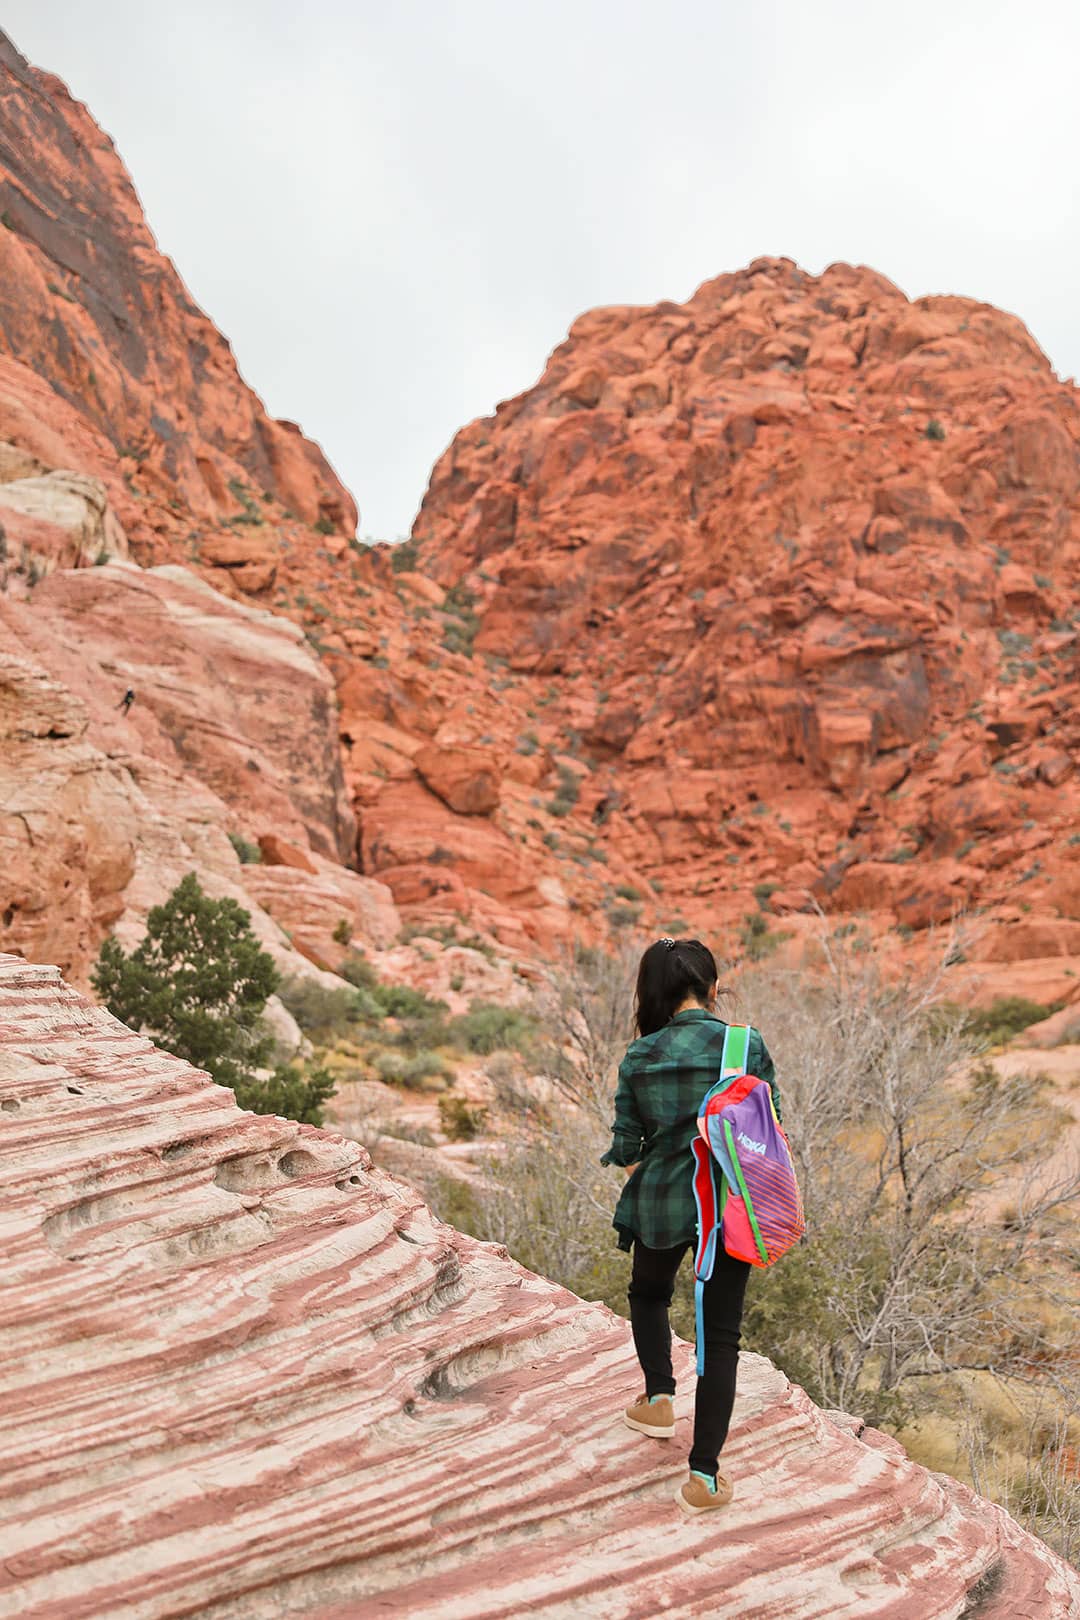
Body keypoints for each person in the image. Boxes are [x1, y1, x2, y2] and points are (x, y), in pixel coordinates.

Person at [600, 936, 780, 1516]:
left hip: (659, 1201)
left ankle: (657, 1400)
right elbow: (770, 1125)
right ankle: (703, 1478)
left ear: (653, 992)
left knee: (648, 1294)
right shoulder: (742, 1044)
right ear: (712, 986)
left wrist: (662, 1167)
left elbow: (627, 1146)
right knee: (719, 1336)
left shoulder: (641, 1055)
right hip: (726, 1206)